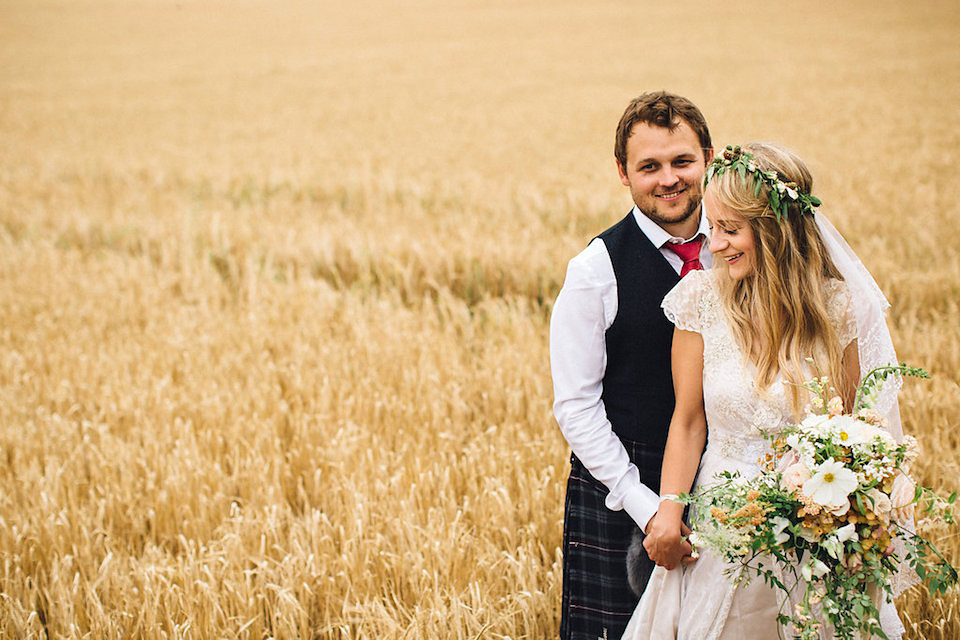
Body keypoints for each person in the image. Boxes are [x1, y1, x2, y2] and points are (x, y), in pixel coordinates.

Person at [623, 143, 906, 639]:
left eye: (732, 230)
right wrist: (668, 510)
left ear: (777, 230)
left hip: (815, 532)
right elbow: (689, 421)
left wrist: (844, 514)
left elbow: (859, 433)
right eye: (714, 228)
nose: (718, 244)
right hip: (721, 526)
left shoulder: (842, 309)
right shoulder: (699, 300)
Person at [549, 91, 713, 640]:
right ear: (623, 173)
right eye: (649, 166)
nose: (668, 179)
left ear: (708, 158)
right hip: (625, 489)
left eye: (681, 161)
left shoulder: (742, 247)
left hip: (735, 483)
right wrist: (647, 506)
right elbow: (576, 407)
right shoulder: (595, 270)